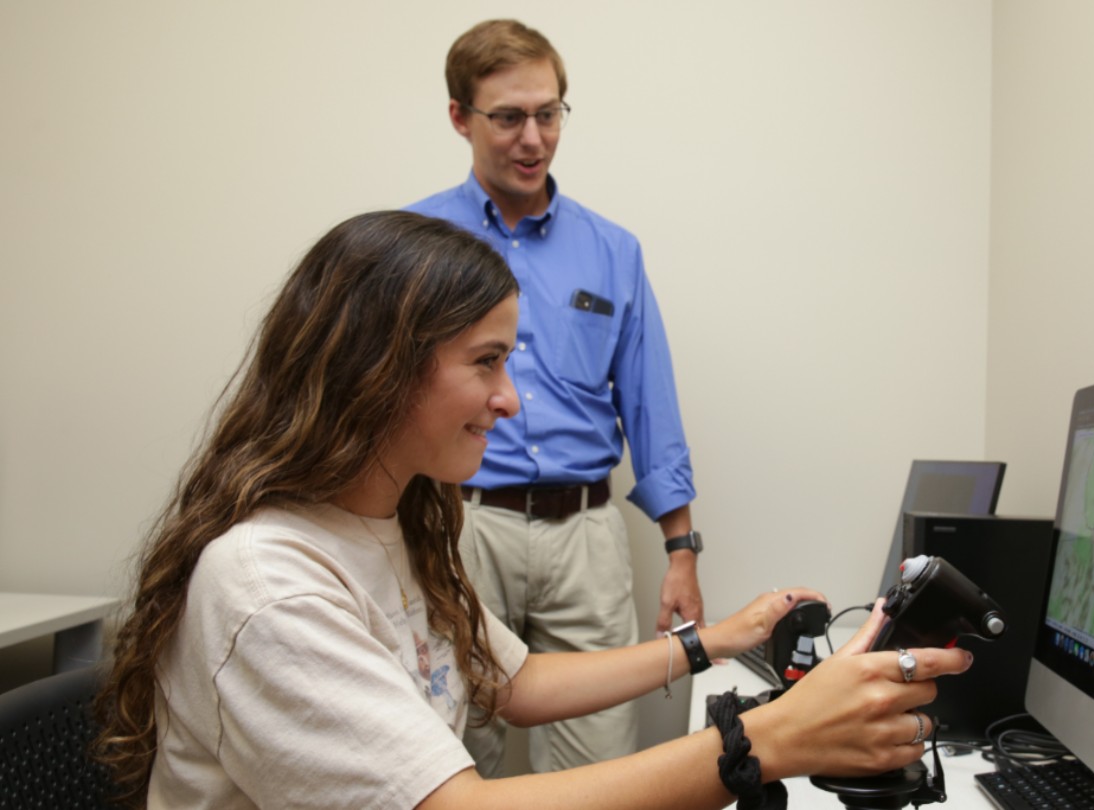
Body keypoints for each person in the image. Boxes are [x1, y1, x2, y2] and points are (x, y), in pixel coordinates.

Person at [93, 211, 973, 809]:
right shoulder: (271, 584)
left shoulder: (392, 528)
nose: (511, 401)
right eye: (486, 362)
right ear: (377, 368)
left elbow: (513, 684)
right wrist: (767, 742)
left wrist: (716, 641)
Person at [404, 19, 702, 773]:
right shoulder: (414, 243)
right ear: (459, 117)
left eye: (549, 113)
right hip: (456, 528)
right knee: (452, 753)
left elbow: (649, 404)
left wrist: (681, 549)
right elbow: (383, 397)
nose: (532, 138)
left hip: (585, 535)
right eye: (507, 117)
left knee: (600, 763)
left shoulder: (612, 250)